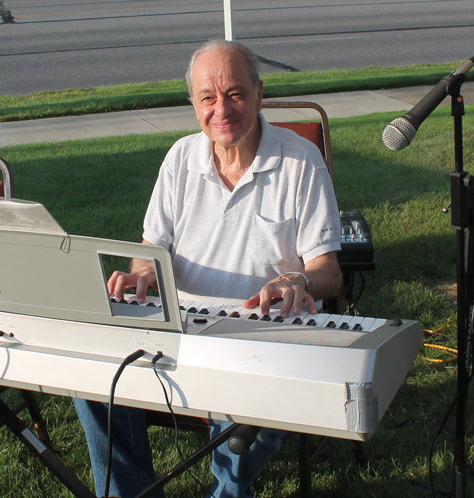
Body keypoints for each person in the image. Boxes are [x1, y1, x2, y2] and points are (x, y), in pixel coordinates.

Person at [74, 39, 342, 498]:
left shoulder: (301, 162)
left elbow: (328, 272)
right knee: (91, 377)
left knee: (250, 407)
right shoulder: (180, 158)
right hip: (179, 327)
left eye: (235, 94)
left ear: (259, 94)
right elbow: (151, 247)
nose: (222, 109)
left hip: (261, 335)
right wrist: (142, 274)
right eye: (208, 97)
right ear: (194, 104)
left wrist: (297, 279)